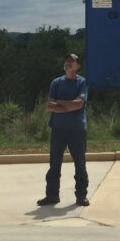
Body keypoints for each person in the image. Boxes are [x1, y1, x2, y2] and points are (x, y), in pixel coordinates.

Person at [37, 54, 90, 207]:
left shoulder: (83, 82)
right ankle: (52, 195)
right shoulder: (56, 82)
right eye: (66, 61)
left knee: (80, 163)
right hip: (58, 129)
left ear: (78, 66)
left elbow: (79, 104)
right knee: (54, 163)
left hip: (77, 130)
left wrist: (59, 103)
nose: (67, 63)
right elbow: (49, 106)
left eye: (71, 61)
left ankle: (81, 196)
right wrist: (68, 105)